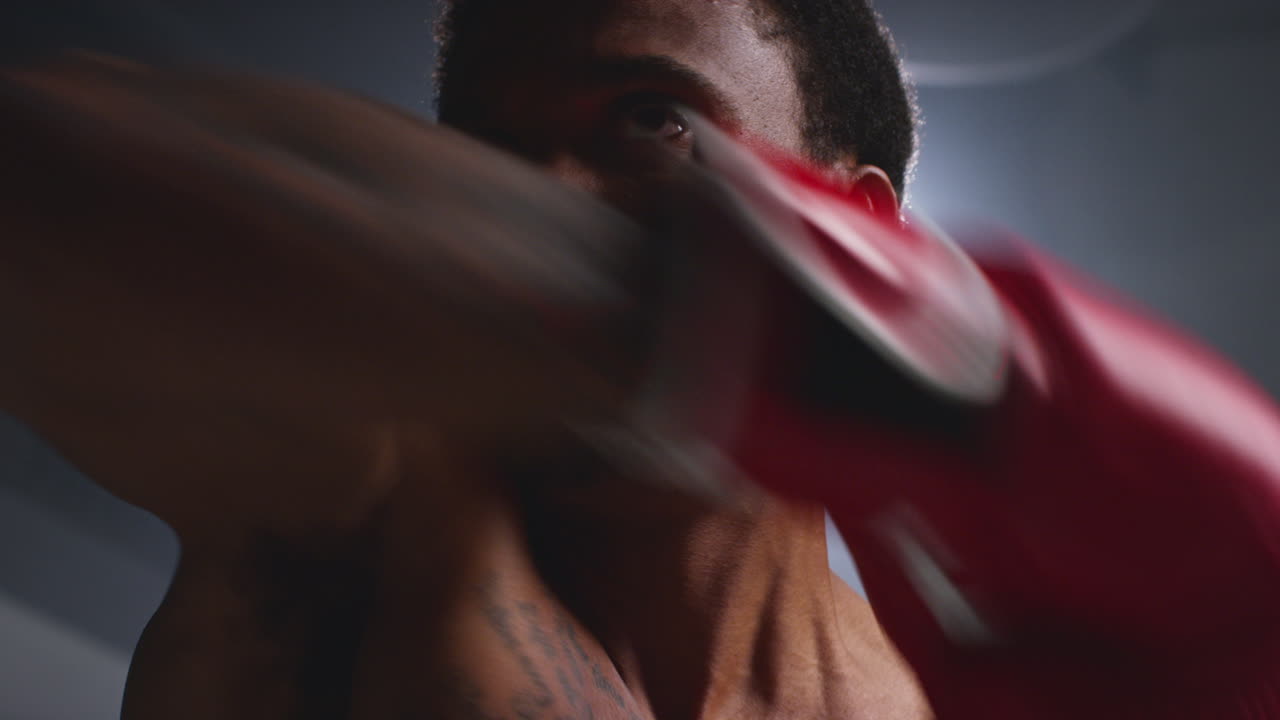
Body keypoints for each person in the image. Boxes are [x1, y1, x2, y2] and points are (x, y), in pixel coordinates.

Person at [2, 1, 1278, 719]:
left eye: (649, 119)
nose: (546, 189)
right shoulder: (364, 510)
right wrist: (776, 342)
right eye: (489, 159)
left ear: (861, 226)